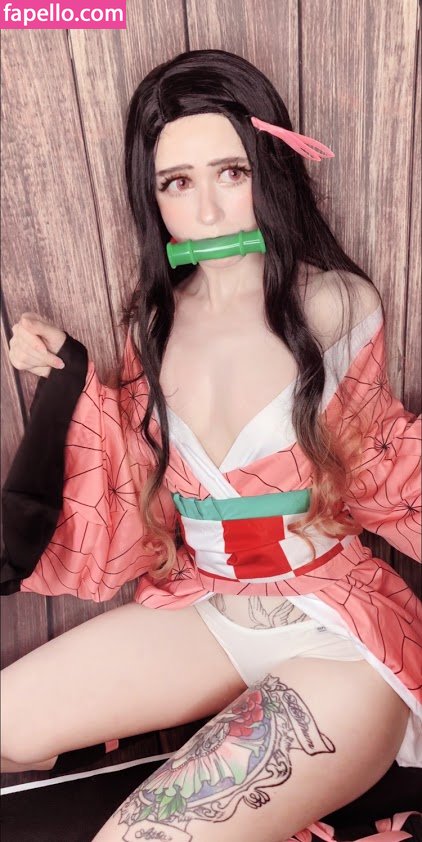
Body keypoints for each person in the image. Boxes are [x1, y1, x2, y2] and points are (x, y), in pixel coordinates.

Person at [1, 48, 421, 842]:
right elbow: (130, 476)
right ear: (152, 195)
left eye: (231, 172)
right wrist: (65, 370)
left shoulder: (337, 305)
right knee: (6, 725)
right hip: (208, 611)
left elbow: (384, 466)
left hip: (332, 631)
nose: (209, 209)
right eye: (177, 183)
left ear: (271, 169)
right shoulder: (151, 326)